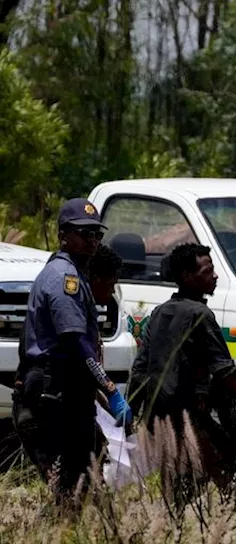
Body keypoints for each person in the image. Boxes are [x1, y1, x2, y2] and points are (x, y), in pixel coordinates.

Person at [129, 243, 236, 493]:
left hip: (159, 419)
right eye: (207, 271)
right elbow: (226, 371)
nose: (214, 276)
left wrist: (134, 414)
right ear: (186, 276)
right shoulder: (200, 314)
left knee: (183, 488)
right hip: (190, 418)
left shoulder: (160, 313)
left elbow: (139, 371)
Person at [13, 199, 128, 503]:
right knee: (71, 489)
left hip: (60, 390)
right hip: (54, 394)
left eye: (97, 234)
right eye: (85, 233)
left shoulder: (65, 272)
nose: (92, 240)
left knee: (80, 486)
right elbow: (76, 342)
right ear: (64, 234)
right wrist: (111, 389)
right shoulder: (67, 279)